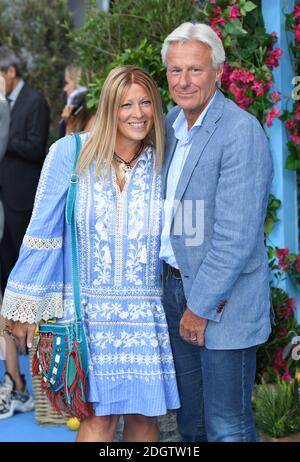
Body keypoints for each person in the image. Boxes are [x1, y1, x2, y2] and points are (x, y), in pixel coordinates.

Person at [1, 65, 180, 441]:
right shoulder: (71, 153)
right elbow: (42, 233)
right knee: (98, 420)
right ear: (109, 108)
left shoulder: (164, 160)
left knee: (145, 419)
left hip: (144, 312)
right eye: (126, 104)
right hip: (88, 316)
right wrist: (25, 306)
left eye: (146, 102)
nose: (138, 113)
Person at [159, 22, 273, 442]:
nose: (183, 81)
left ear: (219, 72)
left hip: (221, 303)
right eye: (175, 70)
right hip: (175, 290)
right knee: (192, 423)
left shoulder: (240, 132)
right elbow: (182, 215)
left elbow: (236, 237)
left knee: (226, 426)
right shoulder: (172, 123)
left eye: (195, 70)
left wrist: (199, 307)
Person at [0, 46, 49, 419]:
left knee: (23, 279)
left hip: (21, 202)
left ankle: (32, 375)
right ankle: (12, 371)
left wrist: (4, 139)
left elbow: (36, 148)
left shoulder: (34, 101)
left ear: (10, 71)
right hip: (2, 204)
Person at [59, 64, 94, 137]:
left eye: (67, 83)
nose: (65, 89)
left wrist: (69, 127)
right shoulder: (73, 116)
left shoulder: (90, 119)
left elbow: (68, 147)